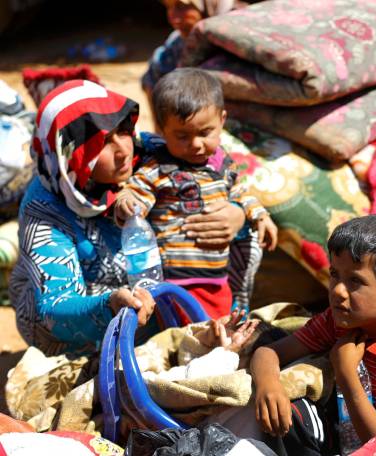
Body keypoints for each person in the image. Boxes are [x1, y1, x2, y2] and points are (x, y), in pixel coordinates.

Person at [9, 79, 250, 357]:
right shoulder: (45, 207)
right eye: (101, 143)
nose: (123, 151)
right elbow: (54, 306)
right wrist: (108, 305)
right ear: (70, 154)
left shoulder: (153, 153)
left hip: (170, 285)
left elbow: (221, 174)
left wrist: (238, 215)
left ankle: (215, 323)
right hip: (90, 322)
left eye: (123, 131)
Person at [250, 214, 376, 455]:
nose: (338, 291)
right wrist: (268, 386)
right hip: (348, 435)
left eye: (355, 281)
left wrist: (345, 372)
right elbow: (269, 351)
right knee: (290, 412)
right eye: (335, 274)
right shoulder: (342, 319)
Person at [115, 68, 277, 319]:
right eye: (182, 136)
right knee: (191, 334)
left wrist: (260, 216)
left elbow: (241, 193)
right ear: (161, 129)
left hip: (217, 275)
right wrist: (127, 202)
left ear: (222, 120)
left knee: (218, 327)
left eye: (205, 133)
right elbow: (137, 192)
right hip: (176, 278)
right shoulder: (159, 167)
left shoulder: (222, 162)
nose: (196, 144)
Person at [142, 0, 249, 126]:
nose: (173, 16)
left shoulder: (240, 29)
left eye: (182, 7)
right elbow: (153, 75)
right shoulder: (177, 41)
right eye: (169, 7)